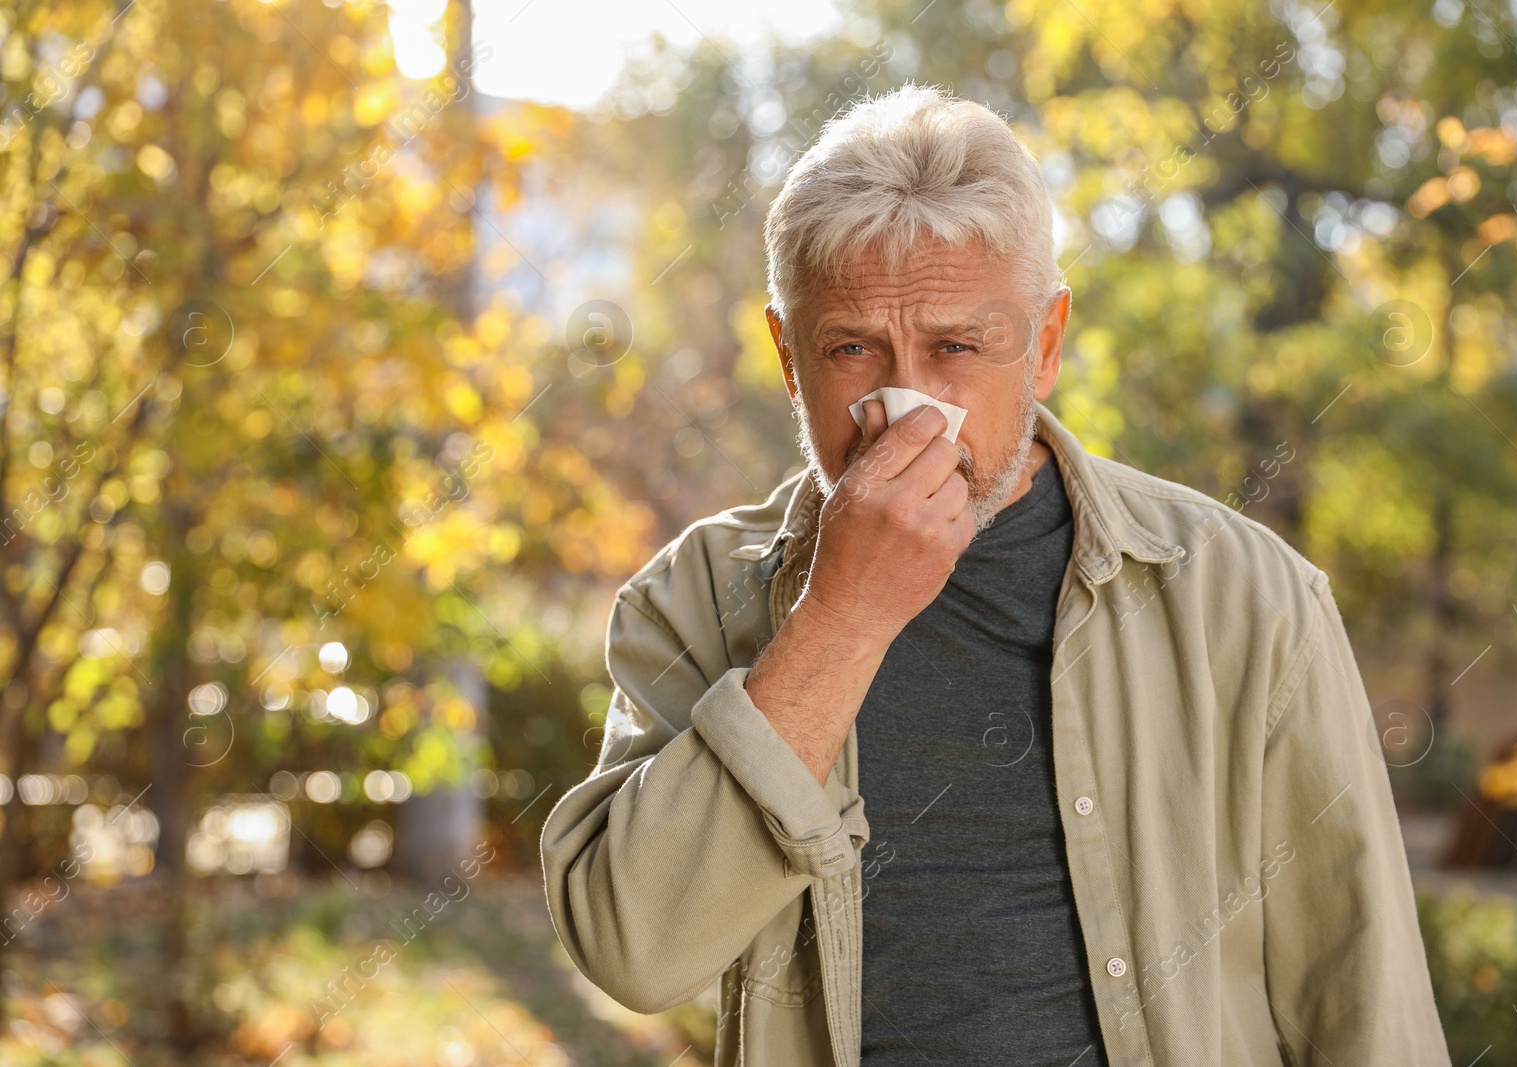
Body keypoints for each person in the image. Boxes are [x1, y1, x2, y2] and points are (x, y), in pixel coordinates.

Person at [540, 83, 1451, 1067]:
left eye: (956, 347)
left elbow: (1364, 1000)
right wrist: (839, 618)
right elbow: (632, 948)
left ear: (1045, 343)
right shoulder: (693, 598)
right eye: (852, 347)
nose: (907, 407)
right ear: (788, 358)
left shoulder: (1247, 598)